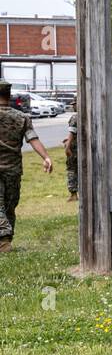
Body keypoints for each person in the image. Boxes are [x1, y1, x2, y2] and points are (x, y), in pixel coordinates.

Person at [0, 81, 55, 252]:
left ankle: (4, 239)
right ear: (9, 96)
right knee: (9, 205)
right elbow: (33, 139)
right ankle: (6, 239)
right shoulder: (21, 117)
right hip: (13, 169)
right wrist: (46, 157)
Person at [63, 96, 78, 202]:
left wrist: (67, 146)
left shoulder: (75, 117)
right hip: (89, 148)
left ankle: (73, 194)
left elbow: (72, 132)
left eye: (74, 104)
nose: (73, 106)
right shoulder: (91, 114)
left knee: (72, 170)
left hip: (75, 149)